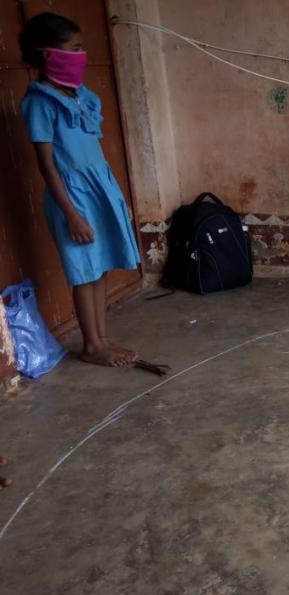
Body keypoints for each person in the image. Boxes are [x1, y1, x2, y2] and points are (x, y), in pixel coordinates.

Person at [19, 12, 141, 367]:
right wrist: (71, 214)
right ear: (47, 54)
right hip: (71, 198)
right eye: (74, 48)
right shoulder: (39, 103)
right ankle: (91, 345)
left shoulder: (80, 97)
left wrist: (114, 198)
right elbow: (47, 164)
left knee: (99, 267)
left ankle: (100, 339)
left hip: (98, 190)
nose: (81, 54)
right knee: (83, 271)